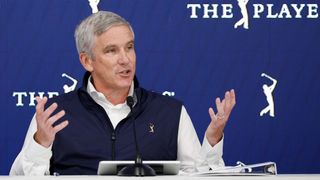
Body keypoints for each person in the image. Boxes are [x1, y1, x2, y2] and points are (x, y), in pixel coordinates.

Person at [10, 11, 236, 175]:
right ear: (87, 60)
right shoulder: (55, 114)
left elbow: (198, 176)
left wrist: (213, 140)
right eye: (111, 50)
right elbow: (22, 178)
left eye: (129, 47)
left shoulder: (170, 112)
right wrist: (40, 144)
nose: (125, 59)